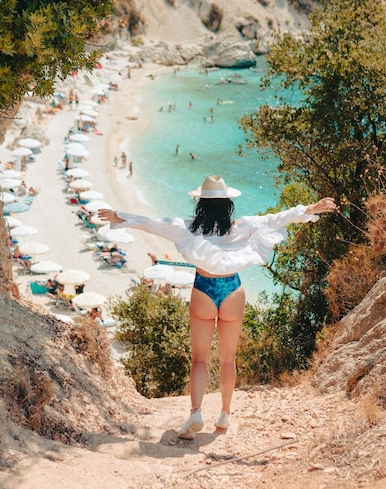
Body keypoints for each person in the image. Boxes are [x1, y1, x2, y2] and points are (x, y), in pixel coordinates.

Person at [98, 175, 337, 439]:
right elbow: (275, 218)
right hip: (233, 290)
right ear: (228, 204)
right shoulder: (240, 226)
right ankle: (224, 414)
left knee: (200, 358)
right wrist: (310, 209)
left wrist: (119, 216)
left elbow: (153, 225)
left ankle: (196, 412)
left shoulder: (188, 228)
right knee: (228, 359)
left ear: (201, 203)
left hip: (204, 290)